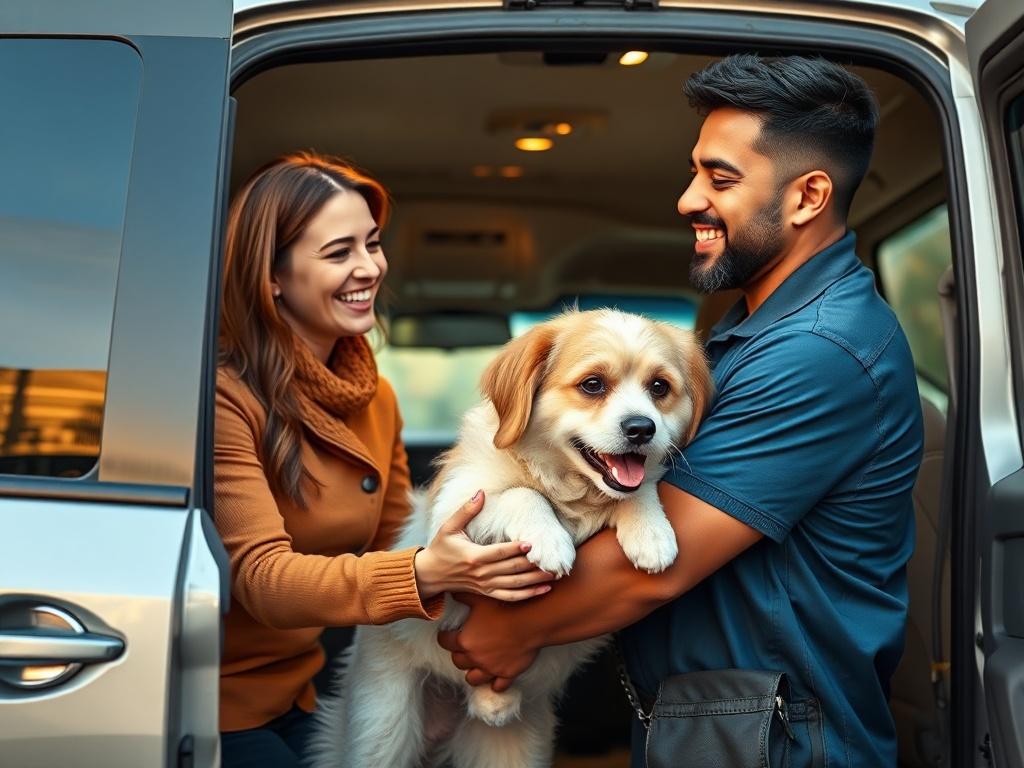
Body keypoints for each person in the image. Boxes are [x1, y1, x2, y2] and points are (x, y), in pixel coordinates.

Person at [438, 54, 925, 767]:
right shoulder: (753, 335)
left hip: (778, 741)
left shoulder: (821, 352)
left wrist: (500, 634)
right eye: (696, 172)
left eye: (720, 178)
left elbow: (656, 562)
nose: (688, 198)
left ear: (807, 196)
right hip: (730, 722)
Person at [214, 152, 553, 768]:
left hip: (306, 693)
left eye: (372, 244)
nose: (369, 267)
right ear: (272, 277)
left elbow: (397, 534)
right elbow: (262, 581)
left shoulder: (377, 397)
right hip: (217, 709)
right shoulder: (222, 398)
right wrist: (425, 572)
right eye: (339, 252)